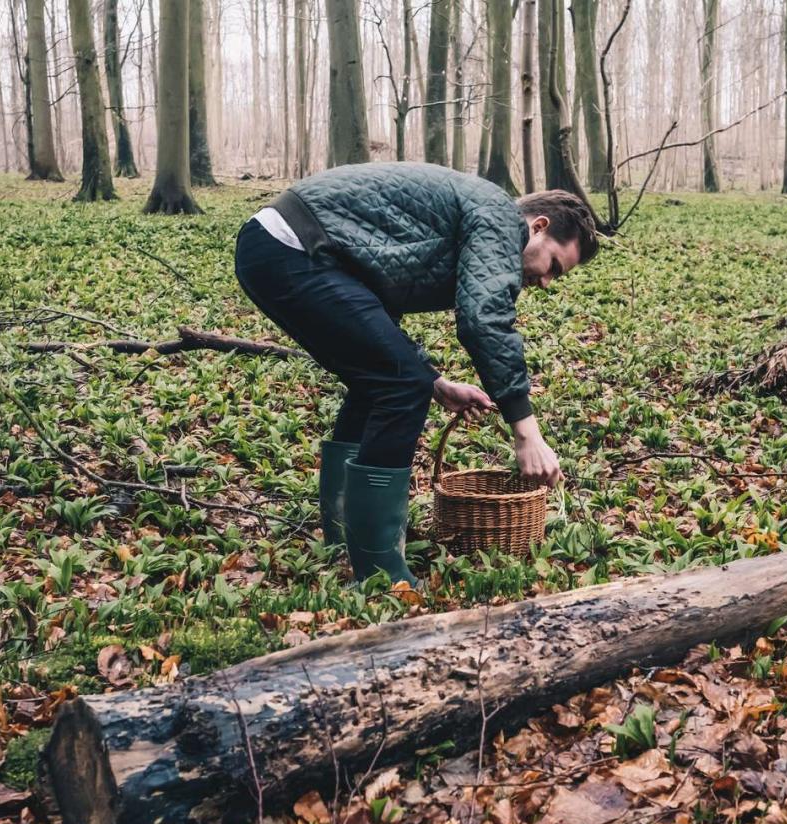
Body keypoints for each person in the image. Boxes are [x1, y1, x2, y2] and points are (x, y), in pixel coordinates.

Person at [234, 162, 598, 585]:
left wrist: (433, 380)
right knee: (399, 386)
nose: (548, 282)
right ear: (537, 226)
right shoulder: (500, 216)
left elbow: (374, 318)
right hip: (294, 249)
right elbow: (484, 320)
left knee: (383, 382)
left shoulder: (477, 216)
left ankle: (343, 536)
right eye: (554, 264)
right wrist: (526, 432)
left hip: (277, 248)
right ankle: (379, 575)